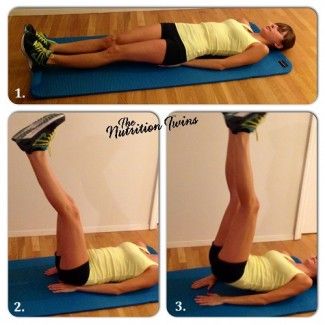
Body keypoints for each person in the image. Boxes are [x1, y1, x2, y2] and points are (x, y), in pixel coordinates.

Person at [11, 113, 158, 294]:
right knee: (67, 207)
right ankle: (33, 151)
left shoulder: (154, 273)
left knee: (70, 211)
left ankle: (35, 151)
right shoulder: (142, 246)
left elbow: (118, 289)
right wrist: (63, 264)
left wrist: (78, 288)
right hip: (75, 262)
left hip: (80, 274)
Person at [191, 113, 317, 306]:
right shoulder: (291, 258)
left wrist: (223, 299)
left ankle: (242, 130)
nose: (318, 257)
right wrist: (215, 276)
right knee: (235, 199)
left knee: (251, 205)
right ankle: (233, 130)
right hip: (223, 264)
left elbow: (265, 299)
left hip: (231, 270)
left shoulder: (304, 281)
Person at [21, 18, 295, 71]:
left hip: (183, 49)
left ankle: (48, 60)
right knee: (112, 38)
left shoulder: (259, 49)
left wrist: (184, 62)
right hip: (179, 28)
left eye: (280, 32)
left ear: (279, 46)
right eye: (277, 24)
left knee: (114, 53)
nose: (274, 27)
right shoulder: (247, 23)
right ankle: (53, 46)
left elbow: (223, 64)